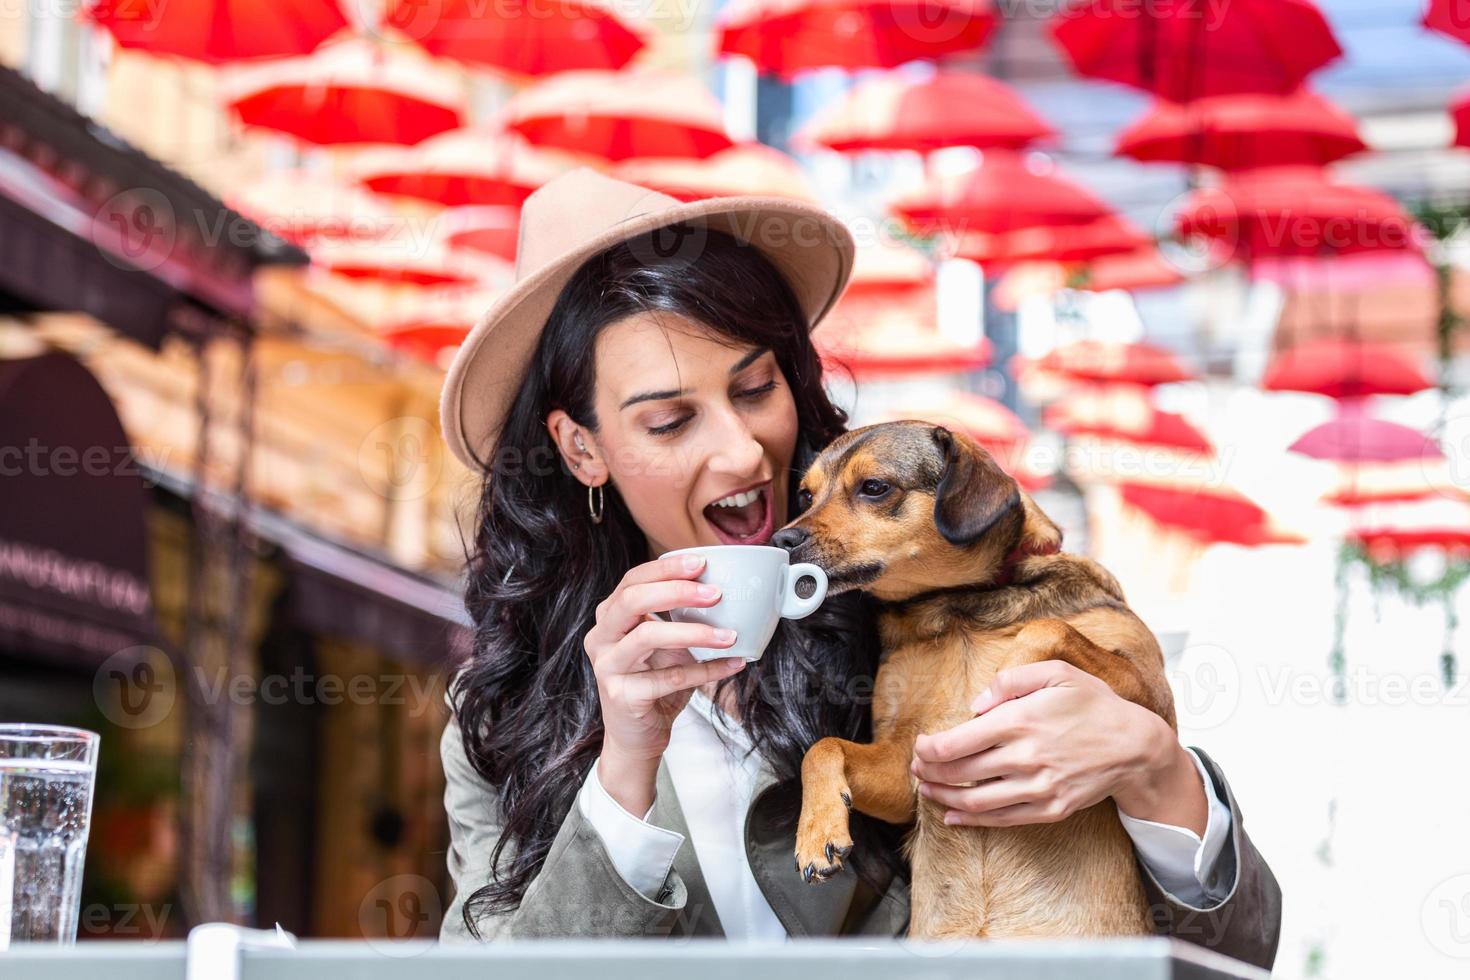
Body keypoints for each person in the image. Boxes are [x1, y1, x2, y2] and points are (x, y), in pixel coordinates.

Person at [435, 168, 1281, 968]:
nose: (741, 451)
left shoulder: (912, 607)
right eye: (669, 421)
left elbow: (1235, 955)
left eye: (755, 388)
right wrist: (624, 761)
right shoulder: (504, 721)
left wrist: (1157, 775)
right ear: (581, 448)